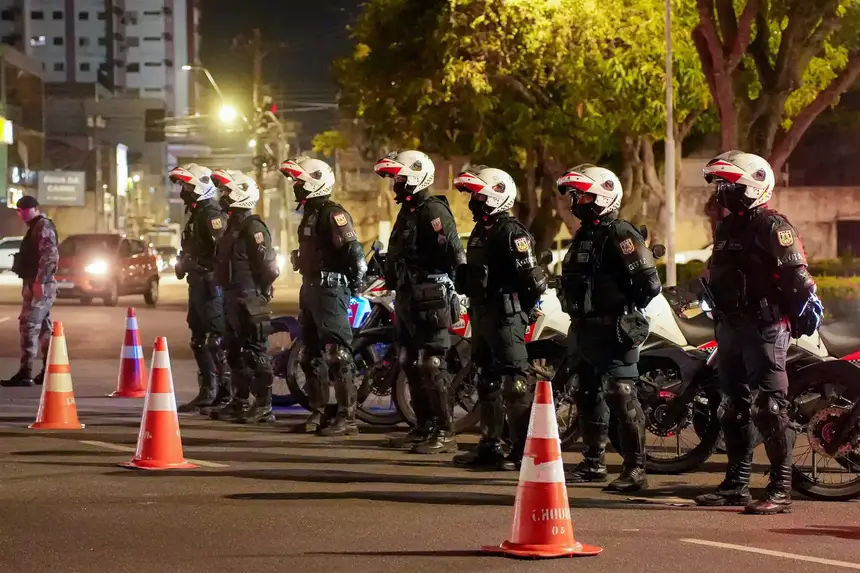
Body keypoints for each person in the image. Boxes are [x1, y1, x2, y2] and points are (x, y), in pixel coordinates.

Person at [694, 151, 821, 515]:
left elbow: (798, 279)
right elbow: (717, 272)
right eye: (720, 185)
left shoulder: (773, 226)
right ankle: (736, 485)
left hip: (765, 328)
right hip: (730, 327)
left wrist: (802, 311)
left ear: (753, 186)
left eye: (729, 185)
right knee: (731, 408)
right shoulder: (727, 227)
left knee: (770, 408)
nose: (722, 192)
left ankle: (781, 489)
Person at [555, 164, 661, 492]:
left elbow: (649, 282)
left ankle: (636, 469)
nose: (577, 202)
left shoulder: (620, 232)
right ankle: (593, 462)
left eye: (584, 196)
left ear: (604, 196)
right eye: (575, 196)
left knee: (621, 393)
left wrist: (626, 310)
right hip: (584, 328)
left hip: (615, 328)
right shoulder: (585, 235)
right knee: (586, 392)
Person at [451, 166, 547, 470]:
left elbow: (532, 282)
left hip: (506, 317)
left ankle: (521, 452)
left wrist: (520, 312)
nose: (473, 201)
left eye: (479, 195)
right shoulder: (482, 230)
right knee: (486, 380)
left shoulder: (512, 232)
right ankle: (489, 446)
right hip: (482, 314)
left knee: (515, 383)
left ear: (497, 195)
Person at [374, 150, 466, 454]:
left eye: (400, 178)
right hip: (408, 296)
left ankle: (445, 431)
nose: (395, 183)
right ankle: (424, 427)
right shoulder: (408, 211)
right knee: (409, 361)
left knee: (431, 363)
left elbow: (453, 252)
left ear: (415, 177)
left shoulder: (432, 209)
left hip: (430, 297)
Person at [280, 156, 367, 436]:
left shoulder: (333, 214)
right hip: (310, 288)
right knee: (309, 354)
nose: (296, 186)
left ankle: (347, 416)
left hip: (331, 289)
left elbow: (355, 253)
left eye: (300, 181)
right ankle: (319, 411)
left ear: (315, 183)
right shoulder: (310, 214)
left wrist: (352, 286)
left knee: (338, 354)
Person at [210, 173, 280, 424]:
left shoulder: (254, 228)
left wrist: (260, 292)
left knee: (255, 352)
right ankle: (240, 401)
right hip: (231, 298)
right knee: (233, 351)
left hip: (249, 298)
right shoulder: (232, 227)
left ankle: (264, 405)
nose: (222, 196)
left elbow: (268, 267)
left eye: (227, 192)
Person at [169, 164, 231, 413]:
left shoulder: (211, 215)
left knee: (215, 339)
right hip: (196, 284)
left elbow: (222, 252)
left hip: (210, 285)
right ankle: (207, 391)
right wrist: (185, 262)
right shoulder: (195, 214)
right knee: (198, 339)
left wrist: (197, 264)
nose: (183, 190)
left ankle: (226, 393)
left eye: (187, 186)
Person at [1, 196, 58, 387]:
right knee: (43, 328)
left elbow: (49, 256)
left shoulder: (42, 226)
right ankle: (49, 370)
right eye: (19, 210)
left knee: (29, 326)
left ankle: (26, 373)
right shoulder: (35, 227)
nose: (22, 214)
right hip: (35, 283)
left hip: (39, 284)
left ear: (35, 208)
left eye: (25, 210)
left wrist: (40, 282)